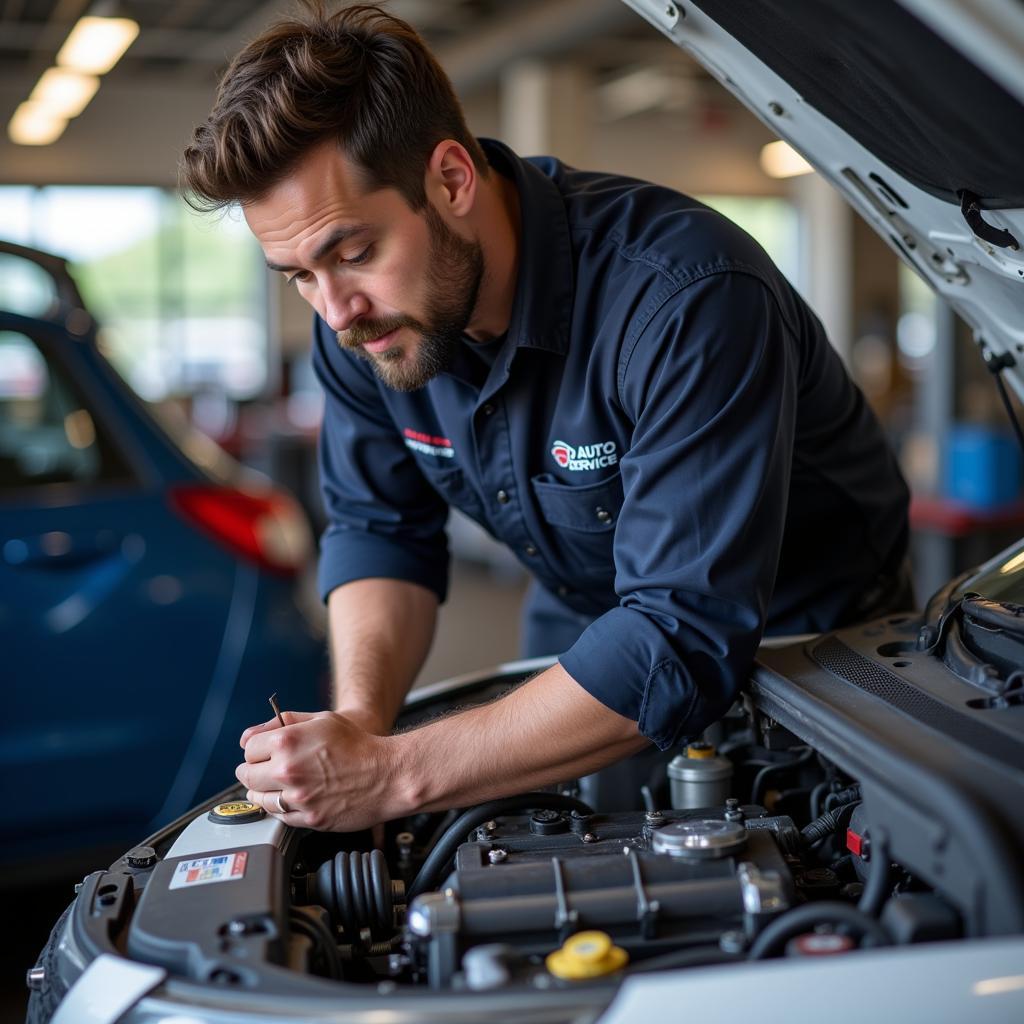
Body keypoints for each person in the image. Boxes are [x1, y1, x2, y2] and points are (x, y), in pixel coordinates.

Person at [181, 2, 910, 832]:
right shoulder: (370, 324)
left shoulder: (686, 296)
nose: (336, 310)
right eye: (297, 275)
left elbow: (680, 631)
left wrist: (394, 775)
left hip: (819, 663)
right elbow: (382, 530)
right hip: (588, 624)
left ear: (450, 180)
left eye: (353, 253)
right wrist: (361, 725)